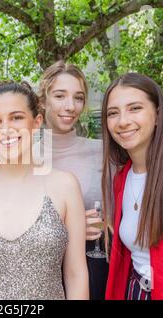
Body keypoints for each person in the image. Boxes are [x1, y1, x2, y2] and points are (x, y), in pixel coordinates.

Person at [0, 81, 89, 300]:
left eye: (16, 117)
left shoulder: (65, 186)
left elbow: (76, 274)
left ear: (36, 123)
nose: (6, 129)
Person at [102, 72, 163, 300]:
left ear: (157, 115)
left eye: (135, 108)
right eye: (113, 113)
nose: (123, 121)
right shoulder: (121, 178)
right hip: (135, 291)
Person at [37, 61, 108, 300]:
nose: (70, 106)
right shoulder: (23, 156)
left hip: (91, 267)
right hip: (39, 269)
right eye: (60, 96)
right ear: (43, 100)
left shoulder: (103, 152)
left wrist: (103, 225)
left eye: (78, 98)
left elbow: (122, 214)